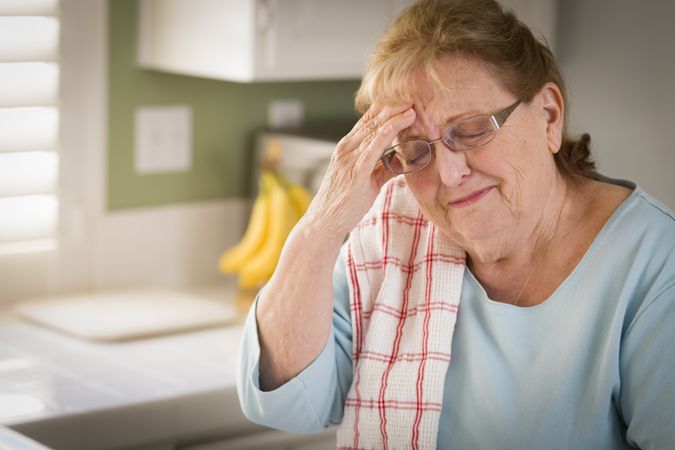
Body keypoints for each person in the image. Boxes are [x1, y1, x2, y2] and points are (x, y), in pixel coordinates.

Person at [236, 0, 675, 448]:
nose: (447, 175)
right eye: (415, 151)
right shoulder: (395, 228)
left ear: (549, 115)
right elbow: (290, 401)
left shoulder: (655, 265)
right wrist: (323, 225)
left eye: (471, 131)